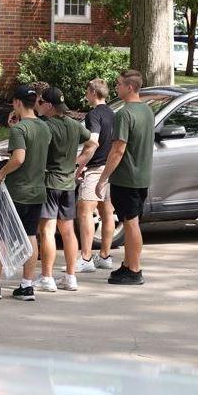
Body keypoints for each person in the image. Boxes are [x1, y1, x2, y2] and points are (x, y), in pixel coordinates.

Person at [0, 84, 50, 302]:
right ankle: (26, 285)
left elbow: (19, 158)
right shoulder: (44, 127)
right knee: (30, 236)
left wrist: (1, 173)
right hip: (37, 190)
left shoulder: (19, 130)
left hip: (16, 191)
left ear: (16, 103)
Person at [35, 87, 97, 292]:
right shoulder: (74, 125)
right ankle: (70, 276)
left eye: (42, 102)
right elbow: (92, 143)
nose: (39, 105)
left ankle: (47, 277)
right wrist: (78, 163)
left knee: (47, 231)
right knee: (68, 231)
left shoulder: (45, 126)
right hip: (68, 184)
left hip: (49, 182)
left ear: (50, 105)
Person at [96, 69, 154, 286]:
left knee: (130, 224)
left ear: (130, 87)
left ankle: (135, 270)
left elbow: (118, 149)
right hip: (142, 176)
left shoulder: (124, 113)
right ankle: (128, 265)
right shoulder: (147, 111)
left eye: (119, 84)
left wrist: (103, 178)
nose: (116, 87)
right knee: (132, 222)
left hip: (126, 178)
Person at [76, 78, 116, 274]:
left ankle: (85, 257)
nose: (86, 94)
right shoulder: (113, 113)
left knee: (85, 211)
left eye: (87, 91)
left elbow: (93, 142)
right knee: (107, 212)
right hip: (110, 169)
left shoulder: (93, 115)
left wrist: (79, 164)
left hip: (95, 169)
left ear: (93, 92)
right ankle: (105, 256)